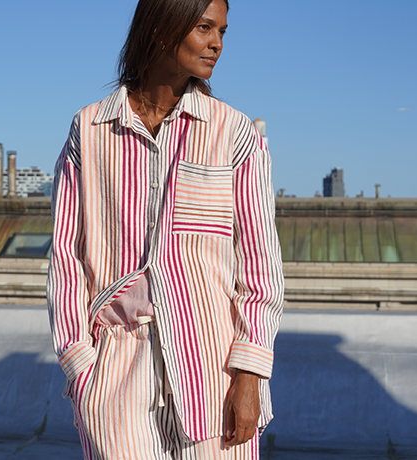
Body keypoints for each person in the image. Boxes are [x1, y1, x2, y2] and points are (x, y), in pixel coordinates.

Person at [46, 0, 284, 458]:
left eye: (223, 31)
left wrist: (251, 376)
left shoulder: (233, 133)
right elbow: (65, 256)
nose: (216, 43)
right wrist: (80, 366)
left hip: (214, 369)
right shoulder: (90, 129)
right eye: (203, 27)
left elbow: (260, 266)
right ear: (160, 28)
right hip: (115, 369)